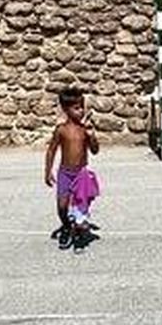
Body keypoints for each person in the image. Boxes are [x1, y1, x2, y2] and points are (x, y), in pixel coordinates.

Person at [44, 88, 101, 253]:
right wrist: (48, 171)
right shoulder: (61, 130)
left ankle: (78, 233)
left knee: (80, 209)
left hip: (81, 174)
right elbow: (51, 151)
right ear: (65, 109)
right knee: (62, 207)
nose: (81, 110)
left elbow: (95, 150)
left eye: (82, 106)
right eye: (76, 108)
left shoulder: (85, 129)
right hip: (65, 173)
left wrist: (92, 135)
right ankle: (67, 226)